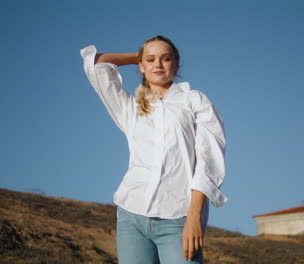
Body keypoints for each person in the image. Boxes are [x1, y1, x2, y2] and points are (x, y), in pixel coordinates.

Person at [80, 36, 226, 264]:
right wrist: (140, 57)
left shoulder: (194, 101)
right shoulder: (130, 107)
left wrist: (194, 217)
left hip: (179, 218)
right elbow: (98, 64)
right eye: (151, 60)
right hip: (132, 215)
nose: (158, 64)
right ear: (141, 66)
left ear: (176, 64)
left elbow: (209, 161)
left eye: (166, 59)